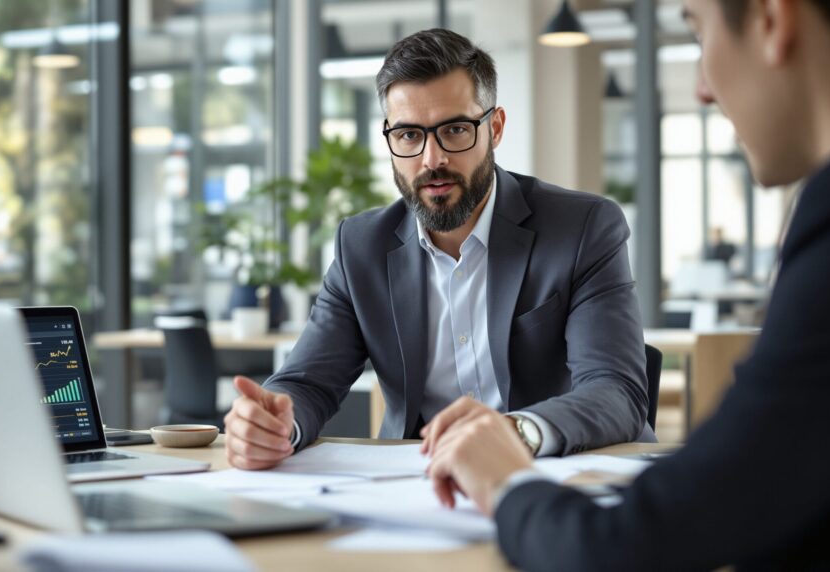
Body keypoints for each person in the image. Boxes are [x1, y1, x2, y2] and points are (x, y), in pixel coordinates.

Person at [425, 0, 830, 569]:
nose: (703, 89)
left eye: (699, 33)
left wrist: (507, 484)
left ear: (770, 21)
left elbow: (642, 542)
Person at [223, 28, 652, 471]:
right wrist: (272, 424)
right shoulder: (361, 247)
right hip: (417, 484)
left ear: (495, 128)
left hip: (564, 476)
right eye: (409, 135)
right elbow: (307, 382)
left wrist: (518, 432)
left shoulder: (582, 228)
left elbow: (615, 390)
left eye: (454, 130)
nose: (432, 159)